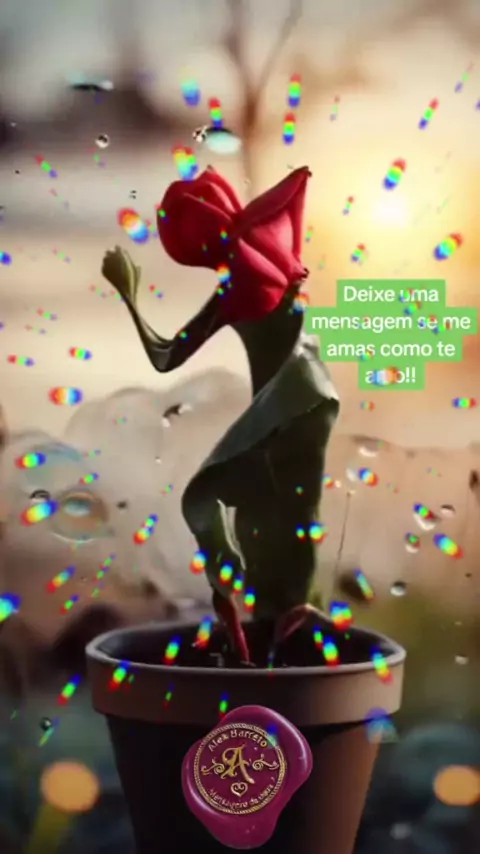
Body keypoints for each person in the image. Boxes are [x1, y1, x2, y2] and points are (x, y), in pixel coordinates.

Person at [102, 166, 340, 662]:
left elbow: (164, 356)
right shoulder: (257, 244)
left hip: (292, 396)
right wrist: (129, 297)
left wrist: (127, 293)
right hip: (305, 392)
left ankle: (261, 613)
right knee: (278, 508)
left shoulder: (244, 268)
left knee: (208, 495)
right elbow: (170, 354)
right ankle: (276, 622)